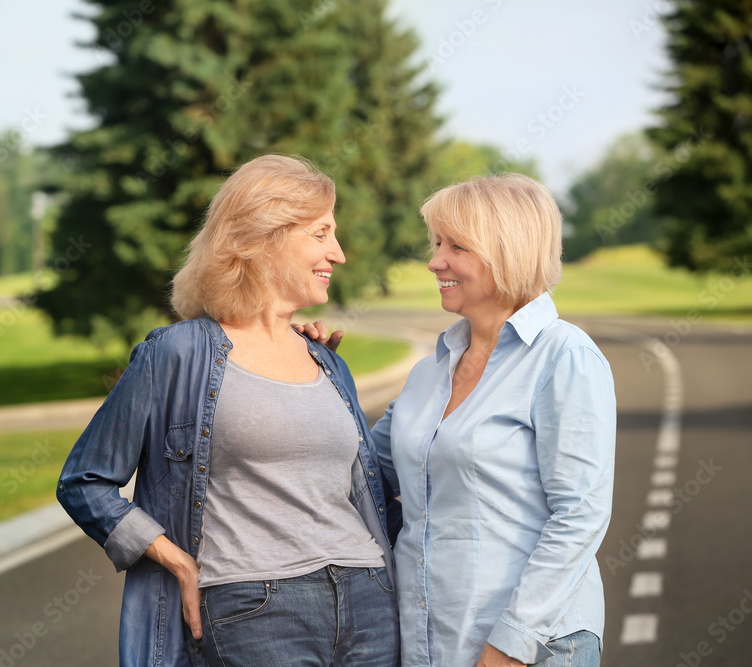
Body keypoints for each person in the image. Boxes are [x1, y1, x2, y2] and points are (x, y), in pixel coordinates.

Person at [56, 154, 400, 666]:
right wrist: (175, 561)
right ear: (265, 235)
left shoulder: (327, 361)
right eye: (322, 233)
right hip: (255, 609)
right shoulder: (176, 353)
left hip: (369, 598)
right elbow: (85, 481)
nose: (340, 253)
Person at [306, 173, 615, 666]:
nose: (435, 261)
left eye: (456, 246)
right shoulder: (432, 371)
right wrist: (311, 370)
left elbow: (579, 516)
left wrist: (510, 646)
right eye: (435, 243)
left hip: (533, 648)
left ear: (507, 250)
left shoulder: (563, 357)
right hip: (428, 644)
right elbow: (358, 471)